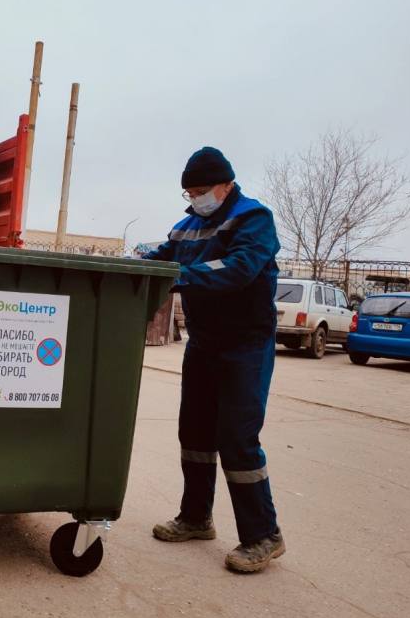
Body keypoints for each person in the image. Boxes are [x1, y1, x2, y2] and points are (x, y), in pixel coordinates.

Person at [144, 146, 285, 573]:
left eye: (202, 191)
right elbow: (164, 258)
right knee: (196, 433)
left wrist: (182, 276)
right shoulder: (188, 226)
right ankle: (195, 517)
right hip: (203, 342)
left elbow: (241, 267)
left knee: (238, 438)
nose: (196, 199)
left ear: (226, 184)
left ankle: (263, 536)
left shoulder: (252, 218)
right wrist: (137, 268)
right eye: (189, 193)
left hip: (245, 344)